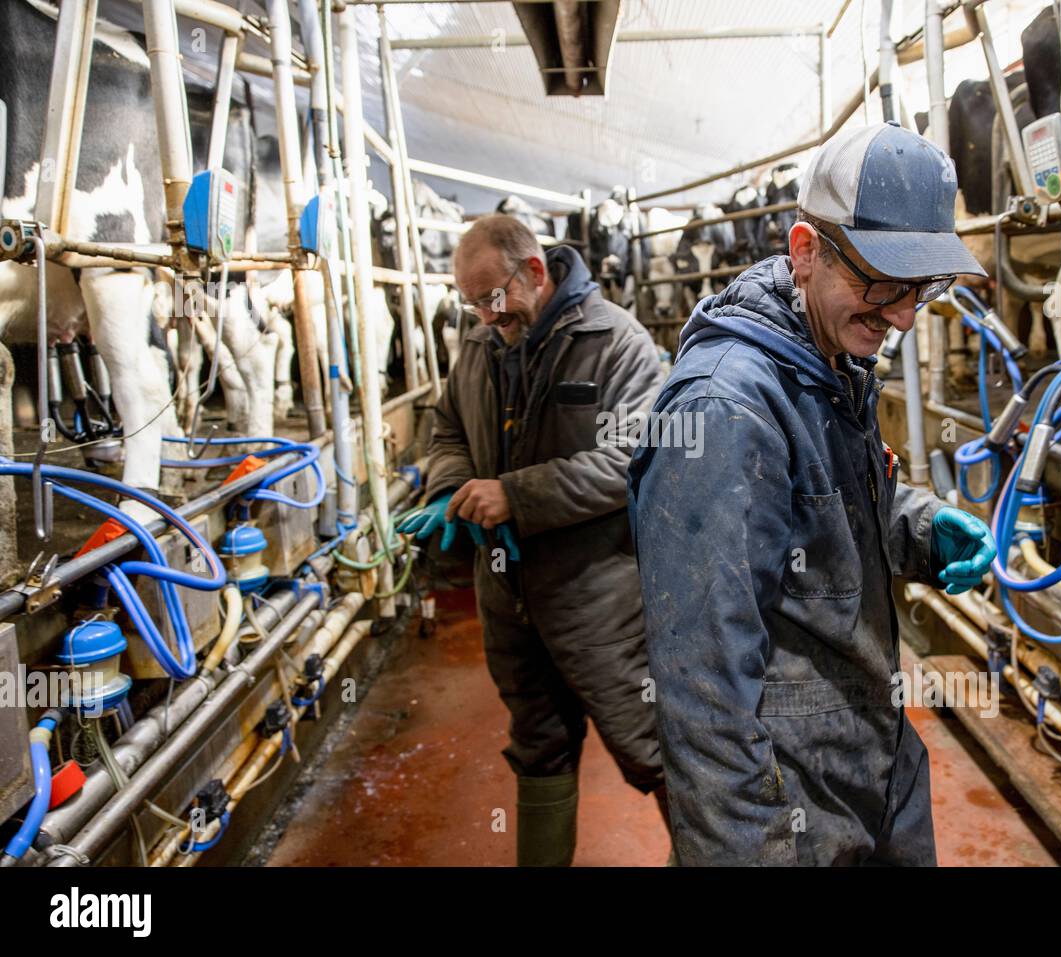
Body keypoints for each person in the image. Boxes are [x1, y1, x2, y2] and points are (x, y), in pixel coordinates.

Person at [627, 122, 997, 866]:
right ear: (804, 250)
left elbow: (822, 509)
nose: (902, 316)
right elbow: (704, 698)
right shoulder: (724, 408)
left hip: (866, 763)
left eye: (920, 288)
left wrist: (917, 525)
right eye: (883, 284)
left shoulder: (826, 357)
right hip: (791, 808)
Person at [399, 215, 667, 866]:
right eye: (472, 303)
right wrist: (450, 491)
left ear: (536, 272)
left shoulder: (616, 343)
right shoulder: (481, 346)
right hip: (510, 597)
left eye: (493, 298)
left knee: (653, 745)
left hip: (598, 599)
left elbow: (634, 457)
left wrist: (515, 495)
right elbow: (449, 431)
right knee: (537, 742)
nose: (487, 316)